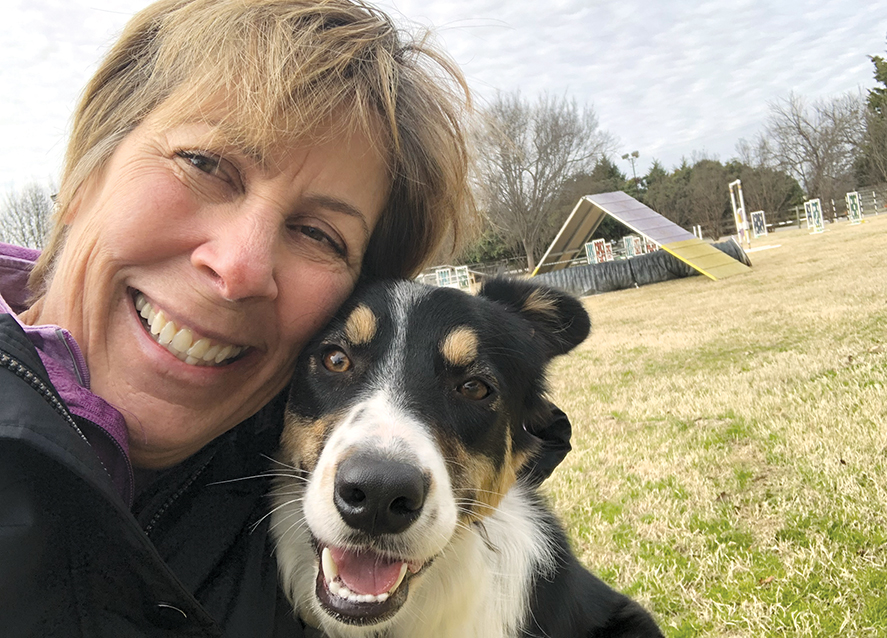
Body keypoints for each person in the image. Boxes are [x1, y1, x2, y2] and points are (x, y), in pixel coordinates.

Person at [0, 1, 572, 636]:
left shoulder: (296, 501)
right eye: (204, 163)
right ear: (85, 171)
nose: (239, 268)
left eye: (319, 234)